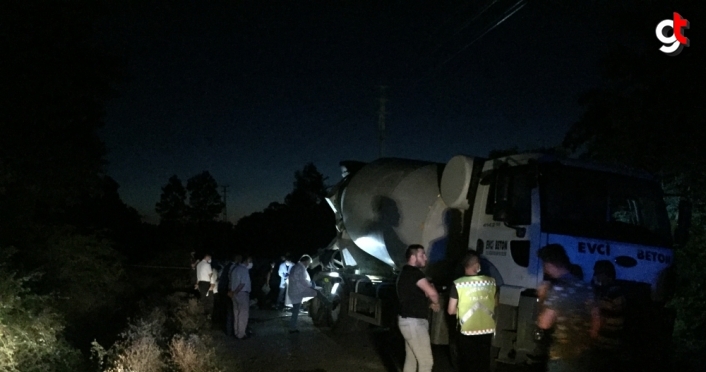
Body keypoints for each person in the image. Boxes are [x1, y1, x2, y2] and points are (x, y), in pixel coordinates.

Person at [535, 244, 600, 372]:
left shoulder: (557, 289)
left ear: (549, 265)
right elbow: (596, 320)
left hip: (562, 355)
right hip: (583, 353)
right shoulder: (585, 286)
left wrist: (542, 298)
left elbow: (544, 324)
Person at [447, 251, 497, 372]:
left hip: (467, 331)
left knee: (467, 364)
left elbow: (451, 310)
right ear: (476, 265)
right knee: (483, 363)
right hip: (487, 330)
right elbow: (495, 303)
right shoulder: (490, 282)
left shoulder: (458, 284)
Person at [396, 244, 441, 372]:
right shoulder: (414, 273)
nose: (425, 258)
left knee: (412, 360)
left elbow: (417, 295)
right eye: (422, 255)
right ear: (412, 257)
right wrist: (435, 301)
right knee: (426, 362)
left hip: (408, 321)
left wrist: (429, 299)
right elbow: (432, 293)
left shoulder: (405, 273)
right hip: (414, 323)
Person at [591, 260, 628, 372]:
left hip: (606, 344)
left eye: (597, 274)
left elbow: (598, 316)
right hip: (608, 344)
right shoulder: (613, 291)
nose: (595, 277)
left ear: (605, 275)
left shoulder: (612, 294)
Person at [287, 254, 319, 333]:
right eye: (309, 262)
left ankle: (292, 326)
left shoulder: (296, 267)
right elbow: (304, 281)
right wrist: (312, 285)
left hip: (294, 291)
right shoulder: (300, 269)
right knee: (295, 311)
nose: (309, 264)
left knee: (295, 310)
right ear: (305, 261)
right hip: (297, 292)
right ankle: (292, 328)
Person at [229, 254, 253, 340]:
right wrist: (235, 292)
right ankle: (241, 334)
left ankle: (236, 332)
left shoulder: (234, 269)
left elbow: (231, 281)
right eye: (250, 260)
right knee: (243, 315)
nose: (251, 263)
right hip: (242, 293)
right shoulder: (244, 270)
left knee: (236, 314)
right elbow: (242, 284)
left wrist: (232, 292)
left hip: (233, 294)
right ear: (246, 260)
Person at [194, 253, 214, 318]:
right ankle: (206, 314)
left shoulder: (198, 265)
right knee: (207, 298)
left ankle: (201, 312)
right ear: (207, 258)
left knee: (202, 297)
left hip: (200, 282)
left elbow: (198, 276)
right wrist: (212, 282)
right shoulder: (207, 265)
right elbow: (210, 274)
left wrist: (197, 284)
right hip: (206, 282)